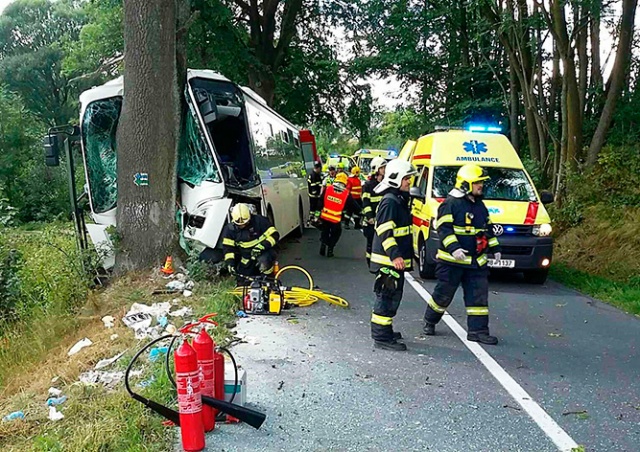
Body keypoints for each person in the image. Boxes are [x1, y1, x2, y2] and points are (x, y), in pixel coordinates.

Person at [422, 164, 502, 345]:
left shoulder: (480, 205)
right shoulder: (450, 204)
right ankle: (430, 320)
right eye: (478, 182)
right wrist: (454, 248)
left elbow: (487, 229)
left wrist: (495, 248)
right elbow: (444, 228)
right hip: (452, 262)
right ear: (466, 184)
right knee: (443, 295)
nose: (481, 185)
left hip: (476, 263)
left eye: (481, 182)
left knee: (478, 298)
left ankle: (478, 331)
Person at [369, 159, 417, 351]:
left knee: (392, 297)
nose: (409, 182)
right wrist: (396, 256)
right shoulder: (390, 202)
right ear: (396, 179)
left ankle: (386, 331)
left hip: (393, 262)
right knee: (386, 297)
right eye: (406, 179)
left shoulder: (398, 200)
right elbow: (385, 231)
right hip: (388, 262)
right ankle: (381, 337)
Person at [222, 203, 280, 282]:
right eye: (240, 225)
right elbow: (228, 249)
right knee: (243, 279)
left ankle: (269, 280)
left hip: (264, 251)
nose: (243, 226)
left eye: (245, 223)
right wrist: (230, 263)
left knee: (264, 261)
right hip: (246, 257)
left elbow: (275, 235)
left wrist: (261, 247)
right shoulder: (230, 230)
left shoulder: (260, 221)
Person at [316, 172, 357, 257]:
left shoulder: (328, 189)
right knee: (336, 233)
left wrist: (317, 213)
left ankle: (323, 244)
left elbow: (320, 201)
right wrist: (362, 212)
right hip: (335, 219)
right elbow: (353, 205)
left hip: (325, 216)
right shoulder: (346, 193)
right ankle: (330, 249)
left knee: (325, 231)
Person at [361, 157, 387, 265]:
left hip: (382, 219)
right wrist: (370, 217)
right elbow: (366, 203)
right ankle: (370, 262)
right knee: (371, 243)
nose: (385, 169)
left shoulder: (386, 184)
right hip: (370, 221)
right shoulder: (368, 185)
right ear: (376, 169)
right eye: (382, 167)